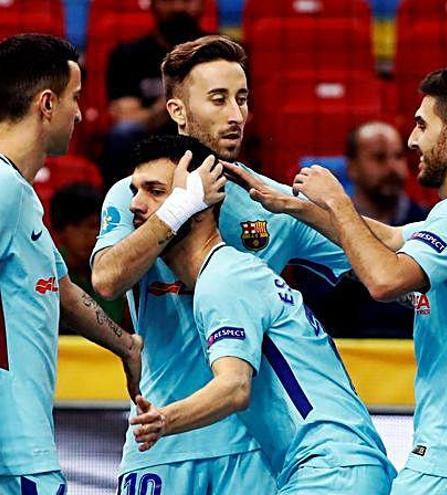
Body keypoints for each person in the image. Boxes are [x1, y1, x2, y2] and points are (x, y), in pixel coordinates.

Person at [228, 62, 447, 494]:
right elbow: (392, 238)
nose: (413, 140)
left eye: (421, 124)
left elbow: (383, 278)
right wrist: (296, 207)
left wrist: (337, 199)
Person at [91, 36, 352, 494]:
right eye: (219, 99)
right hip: (161, 439)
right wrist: (177, 208)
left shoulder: (268, 201)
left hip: (253, 449)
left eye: (242, 98)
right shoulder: (138, 192)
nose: (236, 115)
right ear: (177, 110)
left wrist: (443, 237)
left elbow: (376, 253)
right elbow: (108, 279)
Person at [126, 135, 395, 494]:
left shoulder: (223, 279)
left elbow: (235, 387)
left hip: (330, 471)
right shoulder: (233, 272)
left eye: (156, 191)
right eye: (134, 190)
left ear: (200, 205)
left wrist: (163, 419)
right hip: (336, 467)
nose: (136, 205)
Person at [0, 34, 141, 494]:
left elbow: (59, 288)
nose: (80, 113)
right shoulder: (2, 188)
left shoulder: (18, 194)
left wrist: (128, 347)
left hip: (24, 450)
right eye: (74, 98)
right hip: (11, 453)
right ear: (46, 104)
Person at [303, 121, 428, 338]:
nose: (392, 167)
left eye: (398, 156)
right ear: (352, 167)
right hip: (346, 355)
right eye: (379, 157)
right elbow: (318, 304)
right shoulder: (324, 228)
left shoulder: (427, 222)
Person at [101, 0, 206, 185]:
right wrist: (180, 94)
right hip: (149, 139)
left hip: (203, 134)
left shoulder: (221, 53)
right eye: (170, 1)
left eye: (188, 0)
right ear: (154, 5)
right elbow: (128, 119)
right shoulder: (128, 55)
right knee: (123, 133)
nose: (178, 7)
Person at [51, 183, 129, 331]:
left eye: (96, 226)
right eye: (83, 226)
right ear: (60, 231)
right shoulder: (48, 271)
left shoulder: (116, 268)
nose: (92, 235)